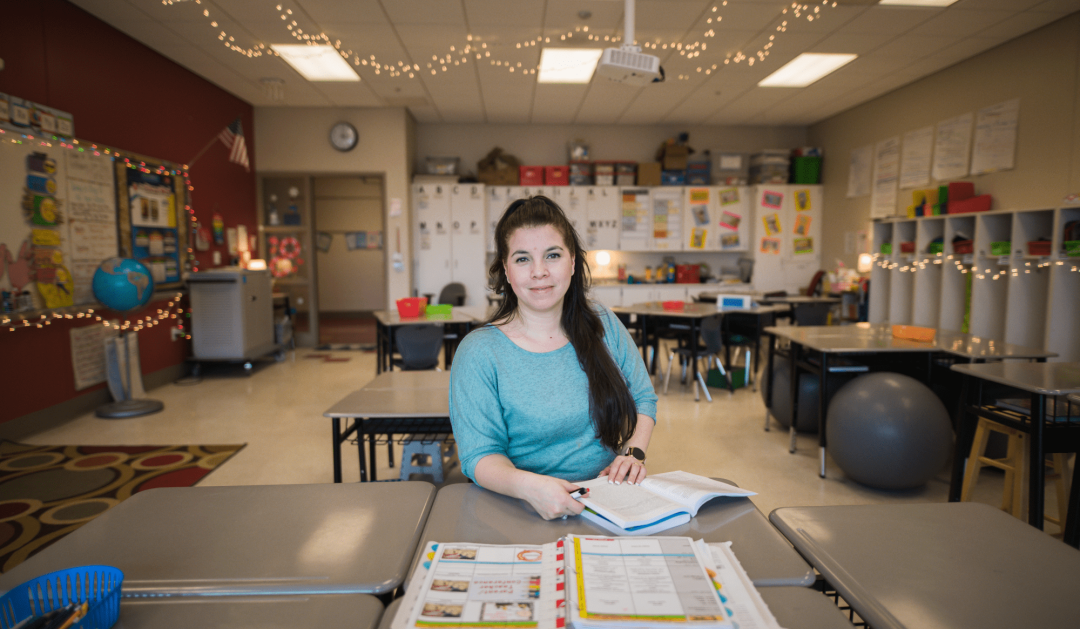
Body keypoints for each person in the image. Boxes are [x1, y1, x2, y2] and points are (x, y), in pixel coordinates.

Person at [449, 196, 657, 520]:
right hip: (516, 507)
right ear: (506, 269)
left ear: (572, 262)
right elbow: (480, 455)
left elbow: (643, 397)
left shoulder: (602, 323)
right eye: (522, 259)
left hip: (603, 502)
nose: (539, 272)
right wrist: (529, 487)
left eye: (553, 255)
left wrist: (633, 453)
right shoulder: (478, 352)